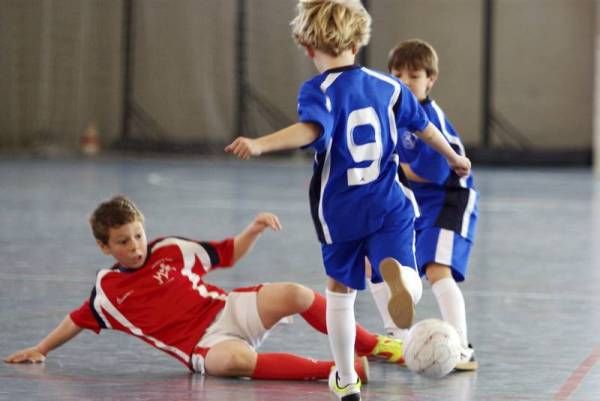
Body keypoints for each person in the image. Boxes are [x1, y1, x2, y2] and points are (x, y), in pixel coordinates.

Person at [225, 1, 471, 399]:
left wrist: (260, 144)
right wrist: (454, 157)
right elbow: (424, 128)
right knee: (407, 268)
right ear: (359, 41)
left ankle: (345, 379)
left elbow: (309, 130)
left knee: (340, 291)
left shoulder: (318, 91)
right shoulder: (390, 87)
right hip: (388, 202)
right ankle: (403, 282)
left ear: (307, 46)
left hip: (339, 211)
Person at [4, 195, 407, 382]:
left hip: (227, 309)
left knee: (296, 294)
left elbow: (227, 254)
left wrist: (253, 230)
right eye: (123, 242)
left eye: (138, 235)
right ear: (104, 246)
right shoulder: (108, 293)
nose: (135, 247)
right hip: (202, 345)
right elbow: (75, 321)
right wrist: (40, 348)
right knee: (230, 364)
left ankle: (377, 346)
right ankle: (341, 372)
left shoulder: (171, 249)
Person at [368, 38, 478, 371]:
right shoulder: (387, 114)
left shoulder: (431, 121)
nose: (404, 82)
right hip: (410, 204)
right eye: (397, 75)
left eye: (413, 76)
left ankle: (461, 346)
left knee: (436, 269)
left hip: (447, 200)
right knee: (374, 261)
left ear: (430, 80)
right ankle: (397, 338)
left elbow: (422, 172)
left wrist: (382, 164)